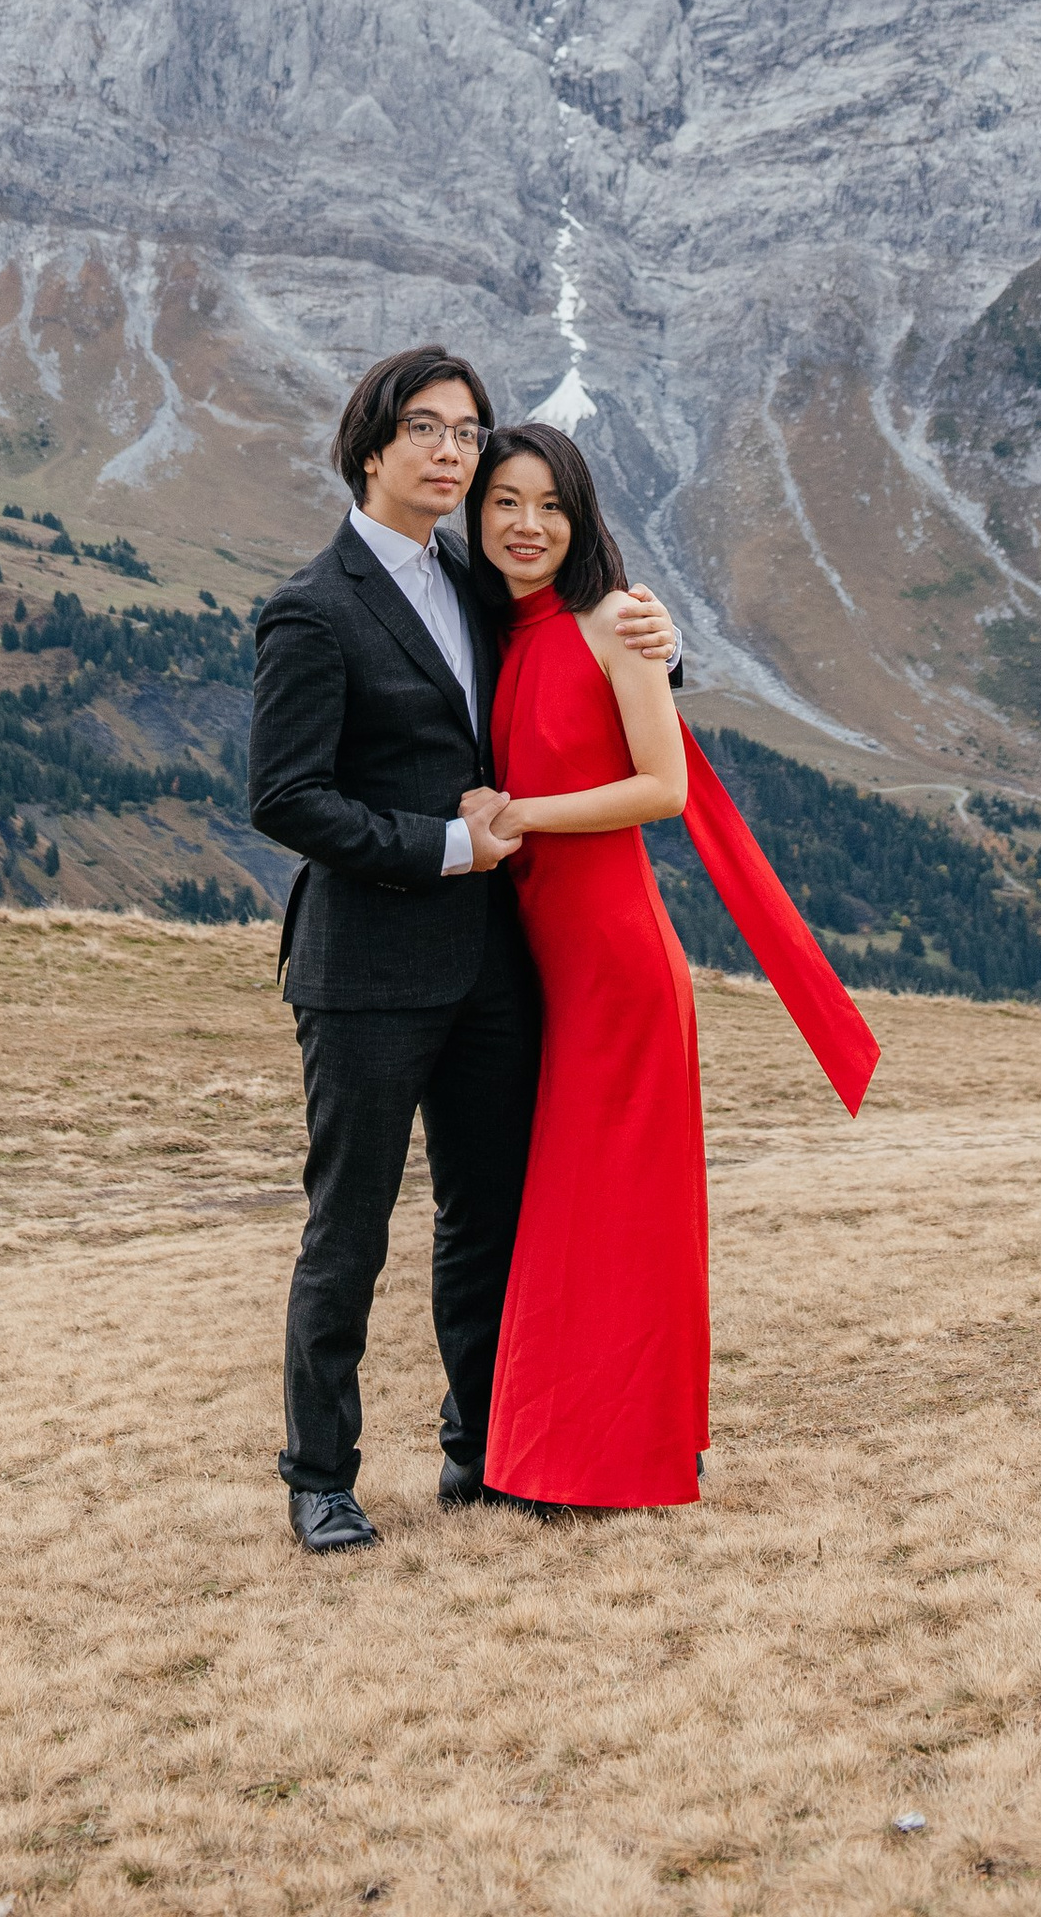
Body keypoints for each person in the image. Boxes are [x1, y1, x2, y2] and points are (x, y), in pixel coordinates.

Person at [246, 345, 681, 1555]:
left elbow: (570, 663)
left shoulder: (477, 580)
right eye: (425, 428)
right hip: (368, 969)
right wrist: (441, 844)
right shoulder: (311, 606)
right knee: (351, 1226)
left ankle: (480, 1449)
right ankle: (319, 1474)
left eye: (467, 431)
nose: (451, 449)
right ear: (368, 446)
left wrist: (658, 640)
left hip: (493, 970)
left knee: (486, 1219)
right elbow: (283, 797)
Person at [470, 422, 881, 1514]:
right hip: (542, 953)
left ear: (582, 516)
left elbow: (662, 785)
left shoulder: (613, 619)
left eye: (550, 504)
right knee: (567, 1209)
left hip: (613, 956)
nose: (527, 525)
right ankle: (579, 1447)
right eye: (505, 502)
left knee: (614, 1209)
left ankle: (609, 1459)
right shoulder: (493, 629)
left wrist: (518, 815)